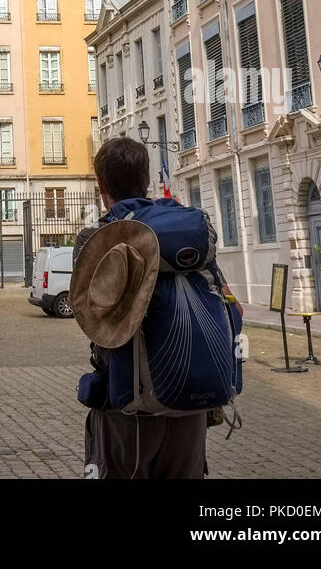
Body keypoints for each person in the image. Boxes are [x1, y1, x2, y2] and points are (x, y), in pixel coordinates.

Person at [73, 137, 242, 480]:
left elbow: (92, 318)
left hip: (128, 407)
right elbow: (232, 307)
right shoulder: (189, 235)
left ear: (100, 185)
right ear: (147, 180)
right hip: (189, 408)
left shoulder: (97, 238)